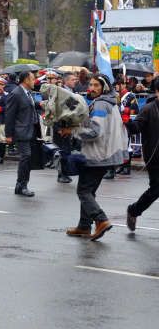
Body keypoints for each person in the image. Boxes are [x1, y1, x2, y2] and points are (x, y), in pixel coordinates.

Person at [60, 74, 127, 241]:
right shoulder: (109, 102)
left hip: (97, 155)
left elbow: (95, 131)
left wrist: (72, 131)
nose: (92, 88)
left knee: (83, 191)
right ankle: (84, 226)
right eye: (91, 84)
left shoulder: (100, 104)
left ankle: (101, 219)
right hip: (103, 154)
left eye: (97, 85)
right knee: (88, 191)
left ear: (104, 87)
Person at [126, 77, 159, 232]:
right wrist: (127, 121)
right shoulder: (149, 109)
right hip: (155, 156)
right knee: (156, 190)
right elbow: (136, 127)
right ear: (157, 92)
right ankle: (134, 210)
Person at [5, 71, 41, 197]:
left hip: (31, 130)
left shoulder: (27, 93)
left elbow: (28, 105)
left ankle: (22, 185)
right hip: (21, 132)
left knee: (29, 158)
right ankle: (21, 185)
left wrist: (39, 104)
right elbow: (9, 115)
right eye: (32, 79)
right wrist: (8, 135)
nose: (35, 81)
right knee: (26, 157)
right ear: (26, 80)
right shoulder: (15, 94)